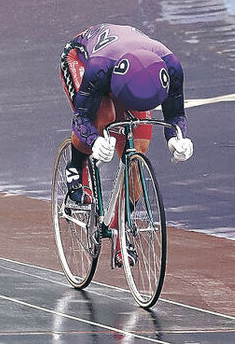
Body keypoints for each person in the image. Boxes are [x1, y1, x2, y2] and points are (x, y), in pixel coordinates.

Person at [59, 23, 194, 267]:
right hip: (81, 59)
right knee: (104, 115)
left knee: (138, 151)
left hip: (132, 75)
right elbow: (81, 118)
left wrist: (177, 138)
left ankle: (118, 227)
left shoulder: (171, 66)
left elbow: (175, 113)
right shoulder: (99, 68)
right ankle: (76, 167)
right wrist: (94, 140)